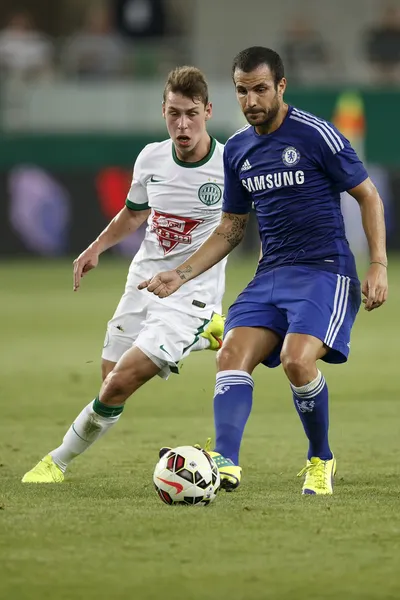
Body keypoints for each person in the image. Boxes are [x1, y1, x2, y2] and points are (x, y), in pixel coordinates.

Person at [140, 47, 388, 495]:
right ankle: (225, 463)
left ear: (281, 87)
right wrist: (181, 273)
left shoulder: (317, 135)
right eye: (241, 90)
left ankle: (320, 459)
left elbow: (368, 195)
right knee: (230, 354)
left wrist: (378, 264)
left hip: (324, 271)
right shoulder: (237, 149)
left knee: (297, 361)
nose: (251, 100)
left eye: (259, 89)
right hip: (271, 273)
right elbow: (232, 228)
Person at [22, 66, 226, 483]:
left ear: (208, 110)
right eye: (173, 114)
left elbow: (236, 228)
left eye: (191, 114)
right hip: (142, 283)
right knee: (108, 377)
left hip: (191, 294)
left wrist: (185, 276)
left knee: (118, 384)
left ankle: (56, 462)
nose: (181, 124)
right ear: (163, 111)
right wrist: (96, 247)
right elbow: (134, 213)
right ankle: (207, 335)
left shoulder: (229, 165)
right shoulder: (151, 157)